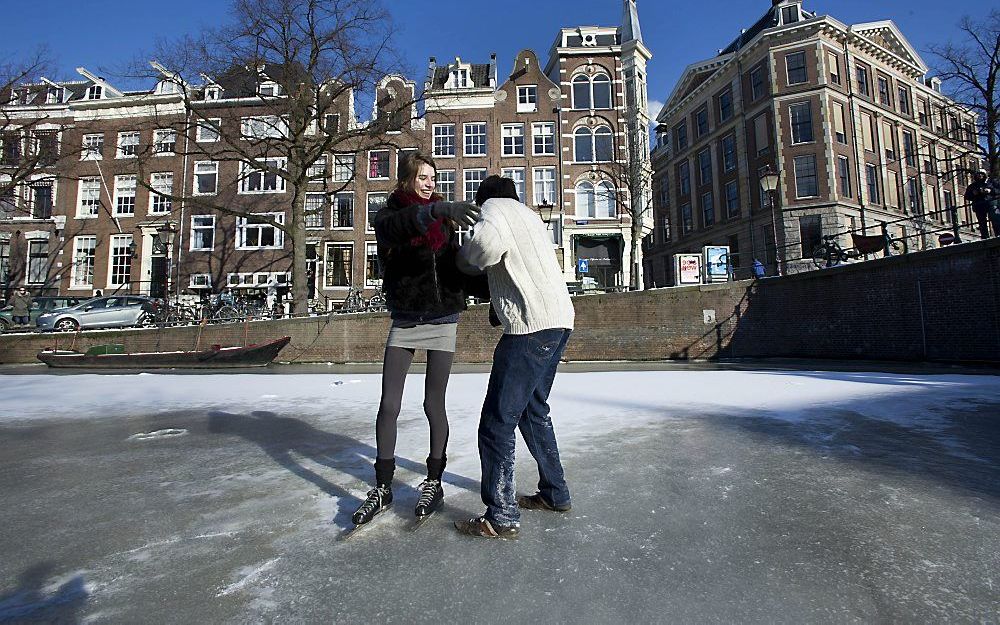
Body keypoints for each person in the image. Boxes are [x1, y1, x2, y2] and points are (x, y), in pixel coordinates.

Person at [351, 151, 481, 527]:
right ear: (407, 180)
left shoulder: (446, 218)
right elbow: (401, 227)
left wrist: (489, 284)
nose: (430, 183)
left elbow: (456, 266)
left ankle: (434, 480)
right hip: (406, 317)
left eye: (433, 177)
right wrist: (436, 212)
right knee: (389, 403)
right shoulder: (389, 215)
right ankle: (382, 486)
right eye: (423, 177)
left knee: (432, 402)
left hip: (443, 317)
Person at [453, 175, 575, 540]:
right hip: (560, 322)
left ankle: (501, 516)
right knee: (534, 411)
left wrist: (461, 259)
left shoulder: (495, 209)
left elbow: (483, 249)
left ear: (483, 198)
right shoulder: (530, 217)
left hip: (529, 329)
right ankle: (556, 493)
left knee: (497, 422)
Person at [965, 168, 1000, 239]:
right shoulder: (972, 186)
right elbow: (967, 196)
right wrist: (973, 193)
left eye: (982, 174)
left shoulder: (991, 183)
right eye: (978, 174)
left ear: (985, 175)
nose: (980, 176)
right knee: (982, 222)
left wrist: (990, 191)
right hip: (979, 205)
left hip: (990, 204)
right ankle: (985, 236)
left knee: (994, 218)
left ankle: (998, 234)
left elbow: (998, 190)